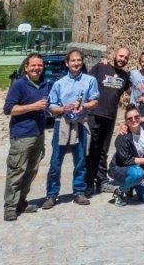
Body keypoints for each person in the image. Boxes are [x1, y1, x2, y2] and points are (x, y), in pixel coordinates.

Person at [43, 49, 100, 208]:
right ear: (67, 63)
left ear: (82, 62)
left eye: (79, 60)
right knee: (56, 161)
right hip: (62, 124)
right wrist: (63, 109)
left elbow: (95, 101)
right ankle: (52, 194)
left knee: (81, 160)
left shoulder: (90, 80)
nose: (76, 63)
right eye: (73, 61)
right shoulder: (59, 84)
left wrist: (84, 105)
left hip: (81, 123)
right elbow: (52, 106)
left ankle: (78, 192)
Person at [2, 53, 50, 221]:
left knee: (31, 170)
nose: (37, 68)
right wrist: (33, 107)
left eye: (40, 65)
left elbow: (49, 106)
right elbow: (8, 109)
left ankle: (21, 201)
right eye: (34, 65)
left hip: (38, 134)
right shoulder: (19, 85)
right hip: (21, 136)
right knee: (16, 171)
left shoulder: (45, 84)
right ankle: (10, 207)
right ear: (26, 67)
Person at [85, 46, 131, 195]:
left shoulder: (125, 76)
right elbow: (86, 82)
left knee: (103, 150)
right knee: (91, 149)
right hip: (94, 114)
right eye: (120, 56)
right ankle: (88, 182)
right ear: (114, 55)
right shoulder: (100, 67)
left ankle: (102, 181)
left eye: (125, 58)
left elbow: (129, 92)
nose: (122, 59)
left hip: (110, 117)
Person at [107, 105, 144, 205]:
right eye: (130, 119)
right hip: (121, 168)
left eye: (136, 117)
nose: (134, 120)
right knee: (137, 174)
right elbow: (127, 161)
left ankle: (131, 185)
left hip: (140, 168)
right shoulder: (122, 138)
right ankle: (119, 191)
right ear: (126, 121)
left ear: (140, 117)